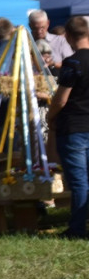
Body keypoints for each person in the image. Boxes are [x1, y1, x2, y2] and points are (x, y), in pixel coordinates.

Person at [47, 16, 89, 238]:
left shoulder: (72, 63)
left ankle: (77, 228)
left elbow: (61, 99)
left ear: (69, 37)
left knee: (79, 181)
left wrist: (50, 117)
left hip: (74, 128)